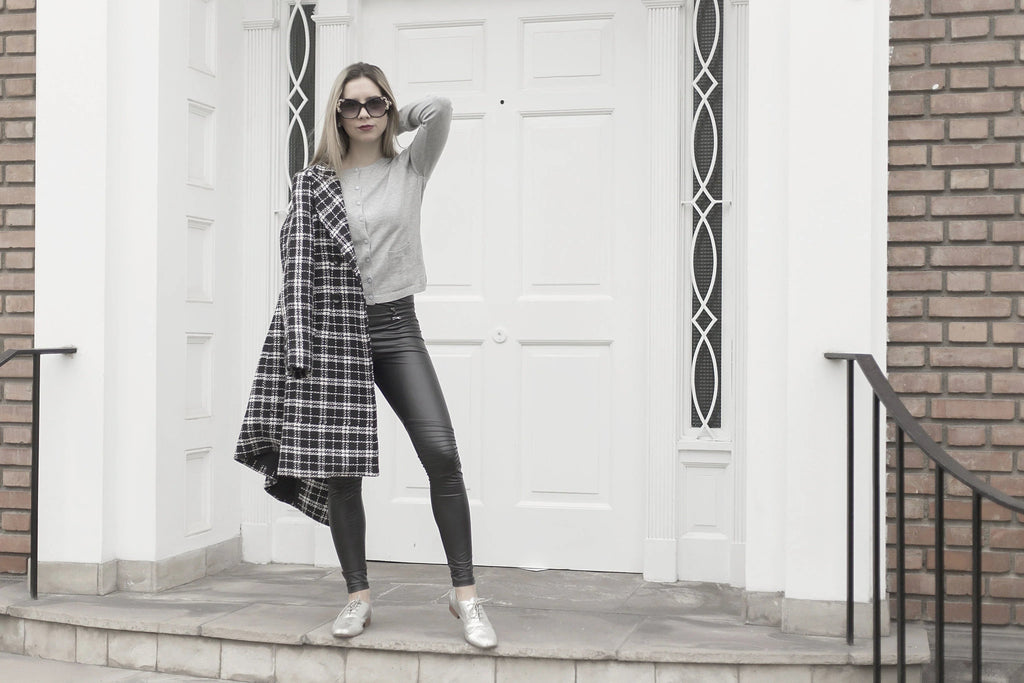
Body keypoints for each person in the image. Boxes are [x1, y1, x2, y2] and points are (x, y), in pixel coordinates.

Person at [234, 62, 497, 650]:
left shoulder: (409, 166)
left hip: (397, 326)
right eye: (350, 106)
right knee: (343, 472)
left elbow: (442, 108)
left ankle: (467, 597)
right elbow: (297, 271)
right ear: (334, 114)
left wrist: (389, 118)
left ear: (387, 106)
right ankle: (357, 595)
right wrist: (301, 349)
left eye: (373, 104)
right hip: (335, 334)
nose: (363, 115)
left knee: (441, 453)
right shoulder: (314, 183)